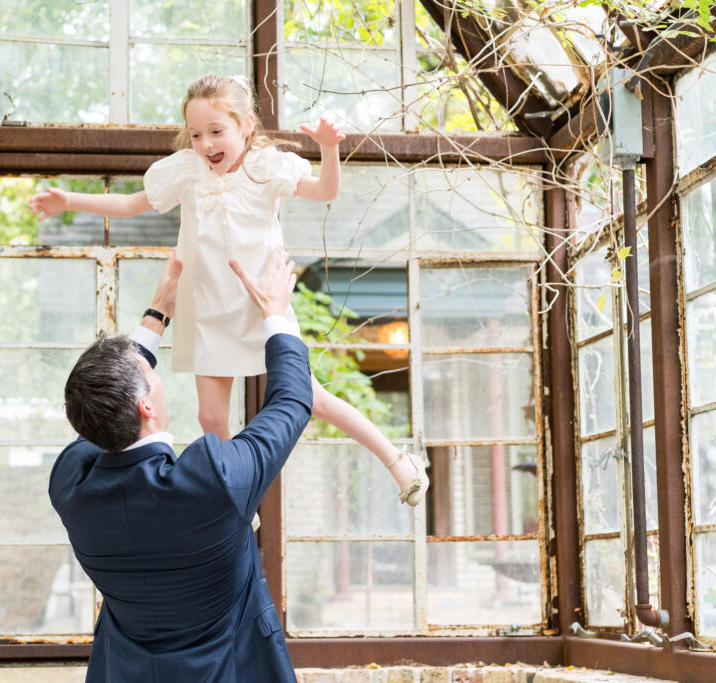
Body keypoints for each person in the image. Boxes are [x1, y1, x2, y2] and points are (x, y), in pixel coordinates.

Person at [32, 74, 427, 506]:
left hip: (262, 305)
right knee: (209, 416)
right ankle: (234, 502)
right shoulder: (186, 170)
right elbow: (129, 204)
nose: (205, 144)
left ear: (246, 126)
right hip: (206, 309)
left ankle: (396, 459)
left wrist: (330, 148)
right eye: (196, 134)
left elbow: (325, 191)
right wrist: (68, 200)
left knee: (313, 398)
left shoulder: (268, 168)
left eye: (216, 132)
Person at [50, 249, 308, 682]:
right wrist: (276, 315)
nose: (157, 375)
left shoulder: (72, 485)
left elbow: (98, 413)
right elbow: (291, 403)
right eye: (150, 374)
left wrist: (159, 310)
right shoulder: (213, 481)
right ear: (147, 404)